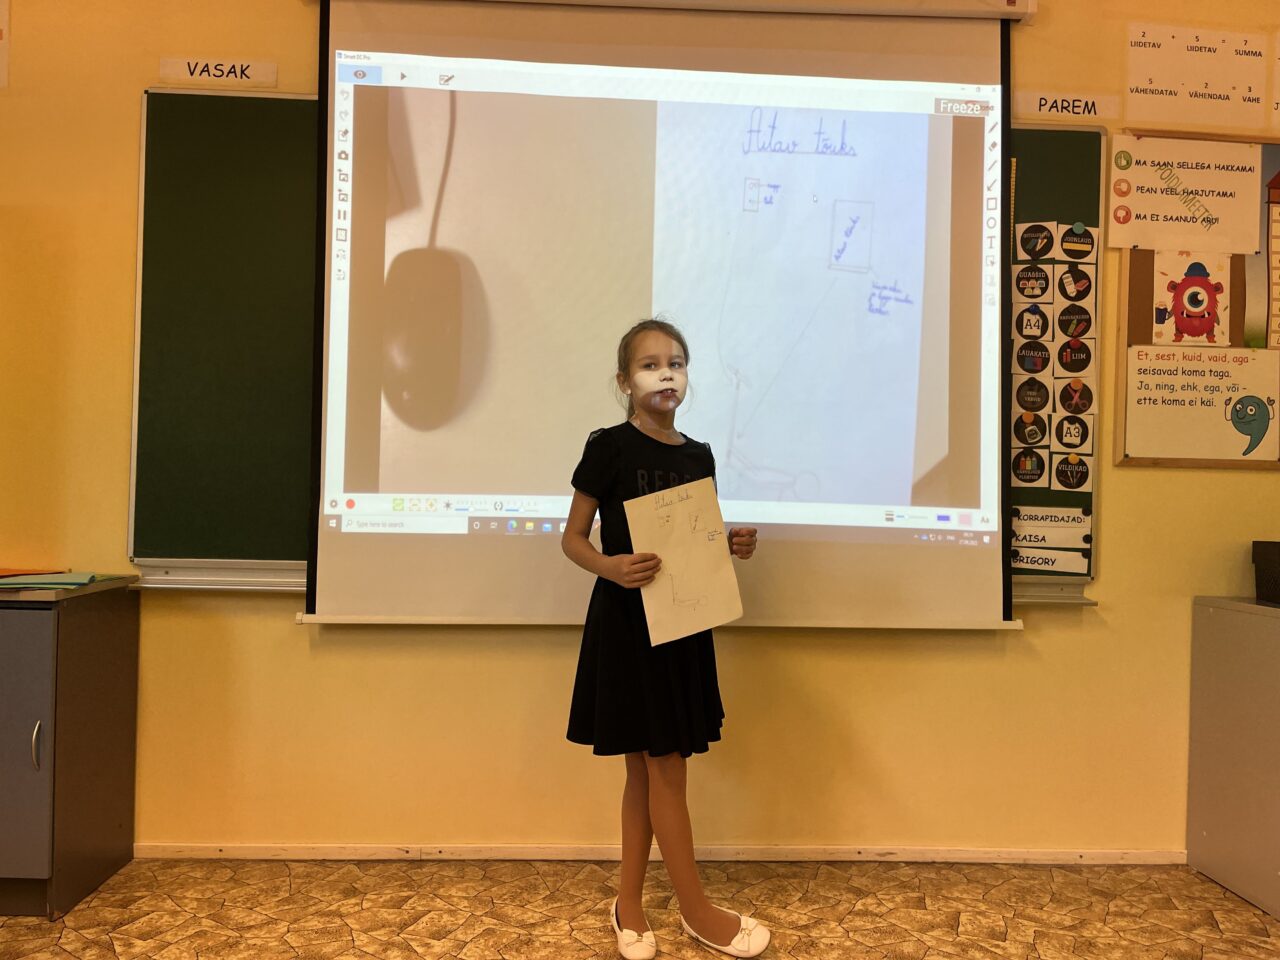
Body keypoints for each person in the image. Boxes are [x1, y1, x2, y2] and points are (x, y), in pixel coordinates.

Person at [562, 318, 769, 959]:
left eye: (675, 363)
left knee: (651, 772)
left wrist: (731, 544)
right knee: (661, 770)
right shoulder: (608, 448)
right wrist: (611, 567)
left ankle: (629, 905)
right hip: (627, 625)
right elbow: (573, 539)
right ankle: (697, 912)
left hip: (681, 626)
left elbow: (694, 543)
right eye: (650, 365)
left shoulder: (698, 455)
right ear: (625, 381)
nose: (665, 374)